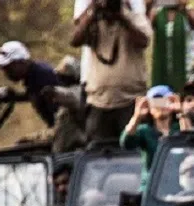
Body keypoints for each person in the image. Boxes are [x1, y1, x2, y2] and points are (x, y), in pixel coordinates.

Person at [71, 0, 152, 144]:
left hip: (130, 100)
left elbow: (144, 41)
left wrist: (122, 17)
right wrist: (93, 10)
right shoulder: (93, 21)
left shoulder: (133, 16)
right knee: (99, 155)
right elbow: (75, 40)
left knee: (132, 151)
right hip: (98, 102)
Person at [120, 85, 190, 190]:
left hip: (177, 186)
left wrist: (180, 112)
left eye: (164, 102)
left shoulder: (178, 128)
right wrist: (137, 116)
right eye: (156, 103)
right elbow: (126, 143)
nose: (161, 107)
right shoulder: (145, 130)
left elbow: (190, 140)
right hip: (151, 188)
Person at [0, 41, 61, 128]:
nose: (6, 73)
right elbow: (36, 95)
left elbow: (62, 110)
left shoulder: (42, 76)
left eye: (8, 68)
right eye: (3, 69)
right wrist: (15, 97)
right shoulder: (33, 76)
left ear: (21, 62)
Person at [73, 0, 145, 84]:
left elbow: (143, 38)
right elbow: (75, 38)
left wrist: (124, 14)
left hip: (129, 83)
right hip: (93, 79)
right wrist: (93, 8)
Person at [149, 0, 194, 93]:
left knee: (184, 94)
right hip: (163, 67)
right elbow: (145, 28)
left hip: (185, 66)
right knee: (160, 99)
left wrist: (184, 6)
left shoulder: (188, 10)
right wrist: (149, 4)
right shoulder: (157, 12)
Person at [49, 56, 88, 152]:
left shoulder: (79, 92)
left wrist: (54, 92)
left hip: (74, 146)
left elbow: (70, 97)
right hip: (65, 145)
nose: (60, 79)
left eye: (63, 76)